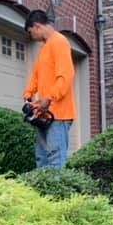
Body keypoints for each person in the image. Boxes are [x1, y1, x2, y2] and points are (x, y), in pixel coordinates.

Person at [22, 9, 76, 168]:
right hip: (44, 114)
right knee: (42, 159)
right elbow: (36, 76)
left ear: (37, 26)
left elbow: (65, 77)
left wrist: (49, 98)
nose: (32, 37)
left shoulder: (59, 42)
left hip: (58, 115)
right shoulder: (44, 48)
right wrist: (28, 94)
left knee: (55, 160)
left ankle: (58, 194)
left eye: (32, 32)